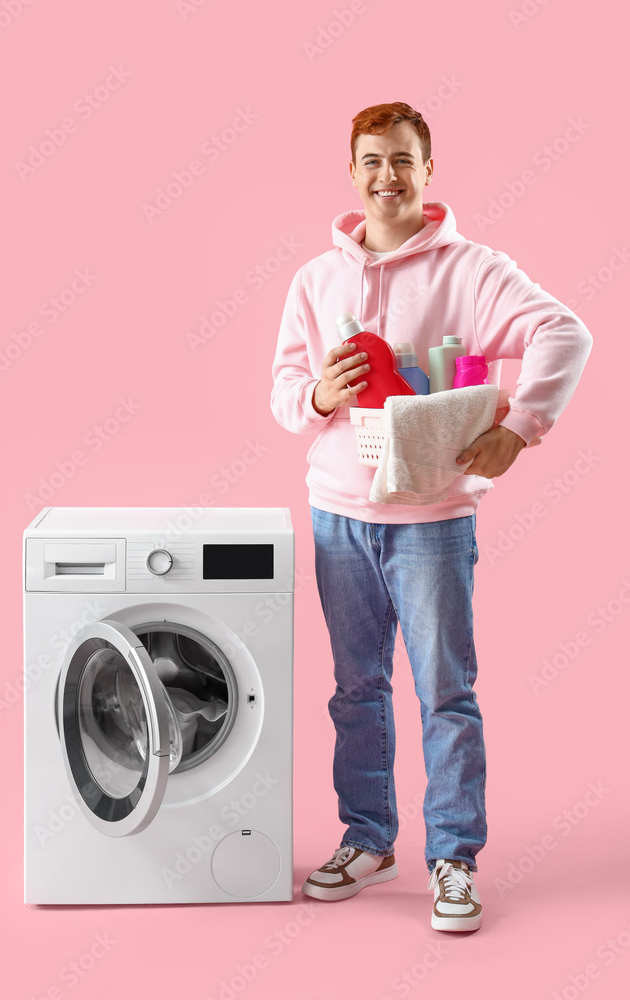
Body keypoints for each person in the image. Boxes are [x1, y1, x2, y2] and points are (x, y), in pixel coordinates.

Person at [270, 102, 592, 931]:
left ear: (428, 168)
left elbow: (563, 331)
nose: (387, 176)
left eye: (403, 160)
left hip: (434, 518)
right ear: (350, 170)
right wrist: (316, 395)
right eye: (372, 160)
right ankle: (368, 839)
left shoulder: (472, 270)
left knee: (445, 692)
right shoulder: (315, 280)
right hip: (337, 512)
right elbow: (281, 394)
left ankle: (453, 859)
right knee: (355, 690)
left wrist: (519, 430)